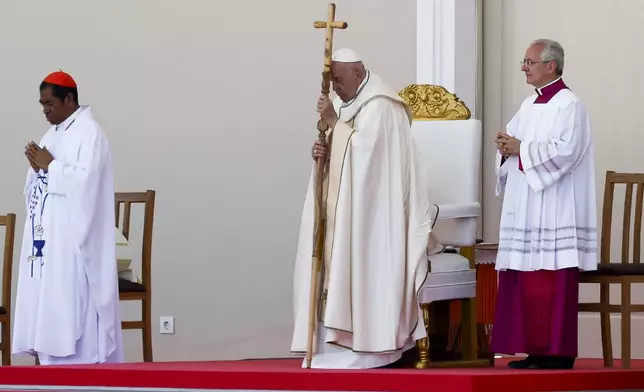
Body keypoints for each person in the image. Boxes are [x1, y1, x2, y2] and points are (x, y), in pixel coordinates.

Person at [290, 48, 432, 369]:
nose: (335, 88)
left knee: (364, 265)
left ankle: (373, 346)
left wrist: (331, 122)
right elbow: (346, 150)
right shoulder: (345, 101)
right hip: (347, 208)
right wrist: (321, 152)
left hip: (376, 215)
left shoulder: (382, 105)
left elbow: (368, 157)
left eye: (338, 80)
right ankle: (333, 346)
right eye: (332, 81)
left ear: (357, 72)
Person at [491, 39, 597, 370]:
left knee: (550, 280)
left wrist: (521, 149)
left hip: (555, 205)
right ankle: (533, 350)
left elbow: (566, 152)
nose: (524, 67)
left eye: (529, 61)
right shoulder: (528, 105)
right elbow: (516, 144)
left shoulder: (570, 106)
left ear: (551, 66)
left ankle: (558, 353)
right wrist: (505, 147)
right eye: (524, 61)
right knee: (526, 278)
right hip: (527, 204)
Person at [12, 70, 124, 365]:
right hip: (50, 237)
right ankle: (51, 361)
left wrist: (50, 167)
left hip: (74, 239)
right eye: (42, 104)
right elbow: (43, 182)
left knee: (72, 296)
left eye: (49, 103)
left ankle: (82, 364)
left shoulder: (91, 133)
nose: (45, 110)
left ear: (69, 98)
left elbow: (88, 184)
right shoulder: (53, 134)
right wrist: (37, 170)